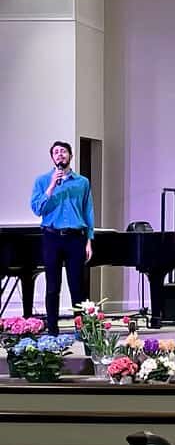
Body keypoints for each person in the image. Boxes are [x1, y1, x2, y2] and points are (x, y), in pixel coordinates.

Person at [29, 141, 95, 336]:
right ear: (52, 158)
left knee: (77, 286)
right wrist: (51, 186)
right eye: (56, 152)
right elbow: (37, 209)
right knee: (52, 286)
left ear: (70, 156)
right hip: (52, 237)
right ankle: (52, 330)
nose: (60, 155)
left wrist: (89, 239)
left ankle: (81, 330)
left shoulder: (82, 182)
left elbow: (88, 211)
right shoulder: (42, 181)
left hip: (76, 238)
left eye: (63, 152)